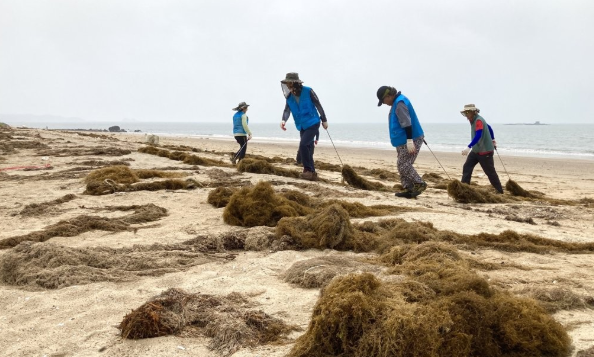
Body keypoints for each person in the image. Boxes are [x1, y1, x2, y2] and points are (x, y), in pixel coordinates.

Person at [377, 86, 427, 198]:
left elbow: (407, 123)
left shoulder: (399, 104)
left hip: (410, 139)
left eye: (383, 100)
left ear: (388, 96)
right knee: (402, 164)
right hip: (403, 140)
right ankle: (408, 188)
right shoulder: (397, 102)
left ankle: (419, 183)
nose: (384, 103)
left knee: (403, 164)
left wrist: (410, 141)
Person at [280, 72, 328, 181]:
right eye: (286, 84)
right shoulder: (289, 97)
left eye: (289, 83)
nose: (288, 86)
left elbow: (318, 104)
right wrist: (283, 120)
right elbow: (287, 110)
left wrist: (324, 120)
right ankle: (312, 172)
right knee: (308, 148)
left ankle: (307, 169)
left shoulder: (308, 91)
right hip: (302, 125)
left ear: (295, 83)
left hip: (313, 122)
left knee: (303, 145)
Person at [460, 104, 503, 193]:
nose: (466, 115)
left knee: (490, 172)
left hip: (485, 152)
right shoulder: (473, 120)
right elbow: (489, 127)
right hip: (476, 151)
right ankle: (464, 188)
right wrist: (493, 139)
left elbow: (478, 135)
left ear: (473, 112)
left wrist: (468, 147)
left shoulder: (478, 120)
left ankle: (499, 191)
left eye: (468, 113)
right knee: (467, 167)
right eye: (465, 113)